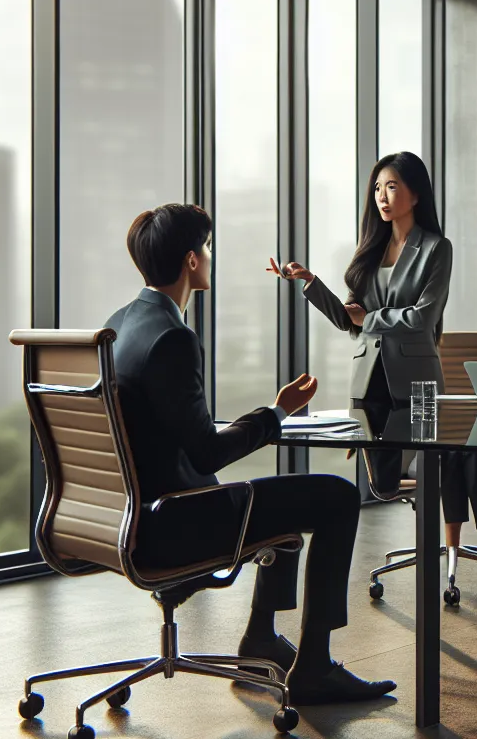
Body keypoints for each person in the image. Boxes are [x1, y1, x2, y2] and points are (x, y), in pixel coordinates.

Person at [106, 204, 394, 705]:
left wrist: (259, 416)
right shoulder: (173, 337)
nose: (212, 258)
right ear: (193, 261)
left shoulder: (120, 325)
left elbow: (166, 427)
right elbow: (207, 452)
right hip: (175, 523)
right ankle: (315, 667)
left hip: (129, 514)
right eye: (210, 249)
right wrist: (277, 412)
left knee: (283, 507)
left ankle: (260, 639)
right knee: (336, 497)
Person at [269, 151, 477, 605]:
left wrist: (372, 317)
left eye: (393, 187)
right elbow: (351, 322)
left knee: (463, 453)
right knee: (408, 476)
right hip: (369, 391)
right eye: (379, 188)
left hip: (419, 387)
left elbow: (424, 320)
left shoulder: (436, 249)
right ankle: (475, 549)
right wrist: (310, 284)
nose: (384, 196)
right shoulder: (367, 254)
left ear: (415, 194)